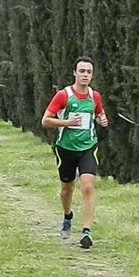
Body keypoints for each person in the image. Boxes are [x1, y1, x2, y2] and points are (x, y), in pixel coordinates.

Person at [41, 56, 108, 248]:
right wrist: (66, 123)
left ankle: (86, 231)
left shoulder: (94, 96)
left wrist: (102, 120)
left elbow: (99, 114)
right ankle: (67, 215)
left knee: (87, 186)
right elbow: (45, 120)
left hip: (88, 147)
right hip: (66, 149)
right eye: (82, 71)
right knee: (67, 189)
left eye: (88, 72)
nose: (85, 75)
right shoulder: (64, 95)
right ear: (75, 73)